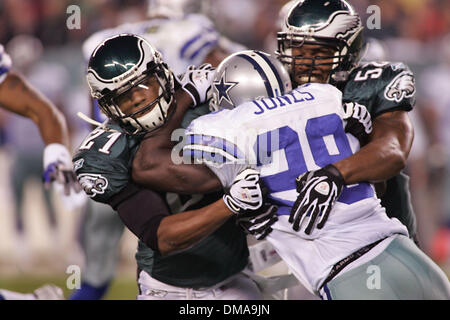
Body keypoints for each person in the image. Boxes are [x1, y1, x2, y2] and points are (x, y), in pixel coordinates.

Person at [132, 45, 450, 299]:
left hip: (346, 272)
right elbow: (374, 178)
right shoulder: (325, 96)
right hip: (402, 249)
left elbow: (149, 165)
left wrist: (186, 95)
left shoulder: (220, 126)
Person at [73, 34, 281, 300]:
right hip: (168, 289)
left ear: (162, 75)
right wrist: (231, 203)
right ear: (109, 107)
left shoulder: (211, 103)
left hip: (235, 277)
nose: (137, 99)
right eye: (124, 97)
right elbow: (163, 236)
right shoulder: (106, 153)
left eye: (143, 86)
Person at [275, 0, 417, 239]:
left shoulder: (369, 84)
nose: (304, 63)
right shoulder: (272, 88)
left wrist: (336, 172)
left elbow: (394, 151)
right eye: (297, 50)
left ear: (347, 53)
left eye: (319, 52)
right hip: (296, 238)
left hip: (379, 237)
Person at [0, 44, 79, 300]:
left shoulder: (48, 76)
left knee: (48, 205)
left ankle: (63, 251)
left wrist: (59, 151)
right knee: (19, 203)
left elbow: (46, 110)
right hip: (21, 152)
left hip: (34, 152)